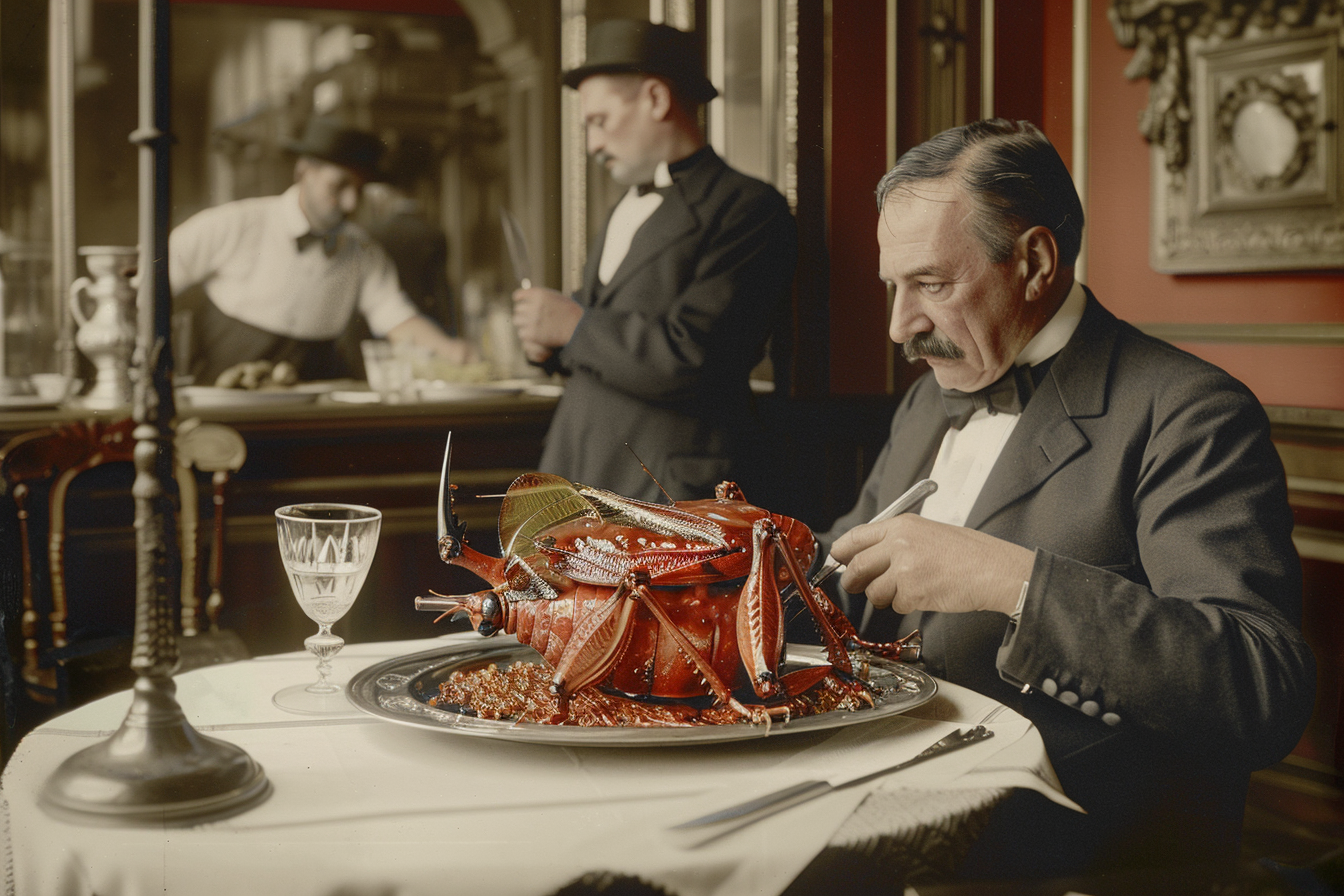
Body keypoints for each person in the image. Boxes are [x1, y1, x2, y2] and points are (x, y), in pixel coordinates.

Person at [820, 119, 1315, 878]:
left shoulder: (1189, 411)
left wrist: (1009, 580)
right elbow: (839, 582)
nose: (899, 327)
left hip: (1077, 855)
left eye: (931, 284)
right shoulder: (928, 401)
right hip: (890, 802)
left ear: (1036, 261)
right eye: (894, 286)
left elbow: (1260, 686)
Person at [511, 19, 797, 502]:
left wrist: (574, 327)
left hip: (663, 485)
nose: (592, 145)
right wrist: (549, 343)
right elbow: (615, 322)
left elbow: (698, 358)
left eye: (599, 122)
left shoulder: (748, 208)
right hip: (578, 467)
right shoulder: (625, 205)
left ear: (657, 99)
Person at [170, 116, 473, 384]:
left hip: (308, 410)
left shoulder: (363, 251)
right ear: (304, 171)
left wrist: (452, 351)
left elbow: (396, 319)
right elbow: (147, 281)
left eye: (358, 189)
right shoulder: (233, 224)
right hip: (223, 402)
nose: (351, 203)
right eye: (339, 186)